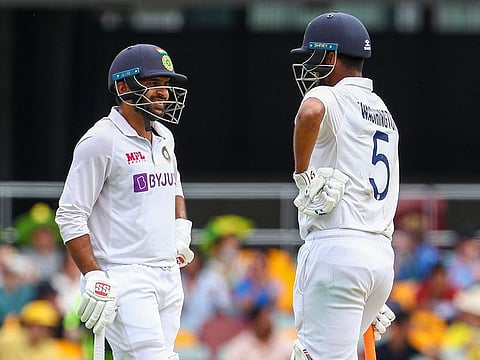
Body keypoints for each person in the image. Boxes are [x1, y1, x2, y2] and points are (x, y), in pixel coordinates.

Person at [55, 43, 194, 360]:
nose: (164, 93)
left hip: (168, 274)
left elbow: (174, 187)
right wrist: (93, 273)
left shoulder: (163, 136)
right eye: (153, 83)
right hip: (124, 275)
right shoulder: (101, 140)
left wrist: (181, 227)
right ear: (123, 86)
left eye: (166, 85)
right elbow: (70, 215)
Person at [290, 11, 399, 359]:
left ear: (331, 57)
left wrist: (301, 173)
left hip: (336, 250)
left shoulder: (330, 95)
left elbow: (309, 113)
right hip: (379, 257)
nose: (309, 65)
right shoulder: (383, 111)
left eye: (314, 56)